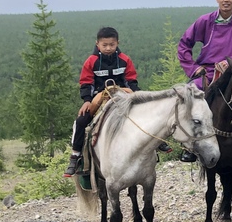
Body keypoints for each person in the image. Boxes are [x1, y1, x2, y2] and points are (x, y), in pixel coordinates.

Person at [64, 26, 166, 177]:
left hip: (123, 93)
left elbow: (131, 79)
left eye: (111, 44)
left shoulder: (124, 60)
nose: (108, 48)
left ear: (117, 43)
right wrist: (86, 100)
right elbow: (86, 82)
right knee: (81, 121)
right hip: (100, 95)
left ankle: (158, 142)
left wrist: (136, 95)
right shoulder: (92, 61)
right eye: (104, 45)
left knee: (145, 113)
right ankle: (75, 156)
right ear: (97, 44)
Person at [177, 0, 232, 162]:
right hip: (208, 73)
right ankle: (190, 145)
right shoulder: (205, 21)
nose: (226, 0)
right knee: (188, 95)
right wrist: (193, 68)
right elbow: (184, 45)